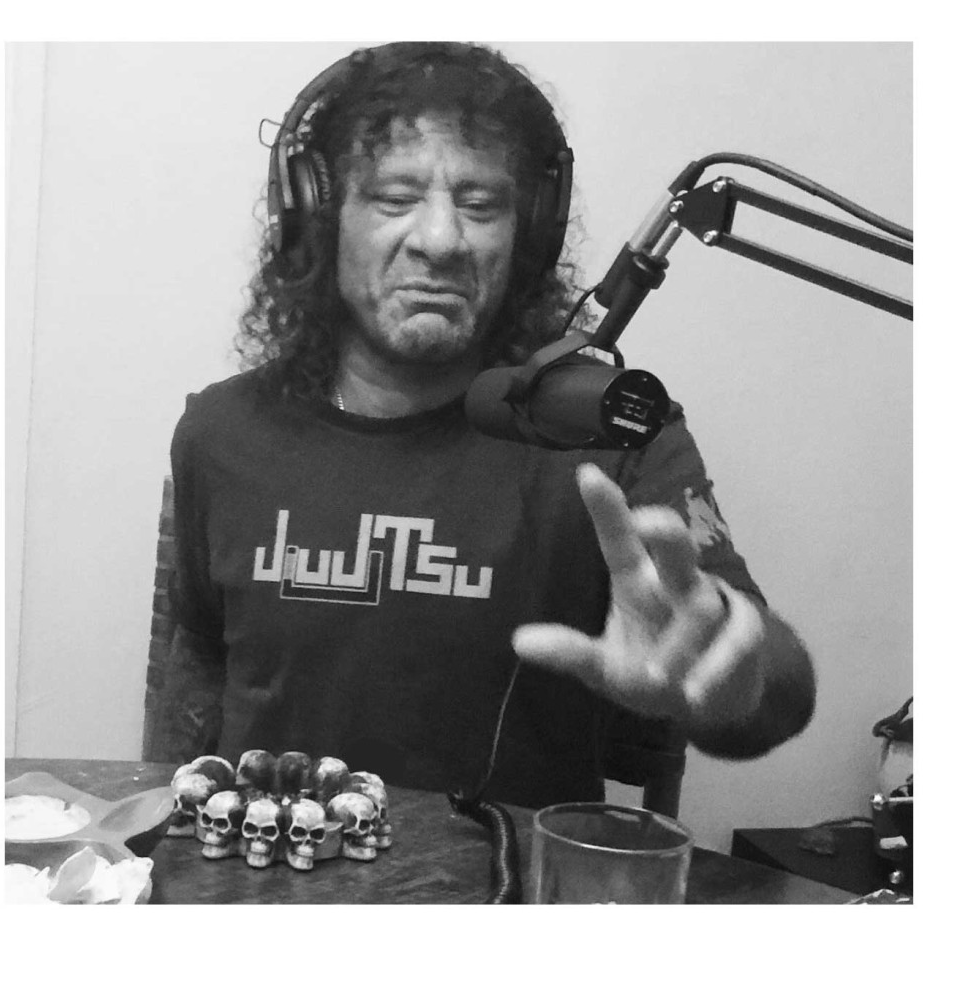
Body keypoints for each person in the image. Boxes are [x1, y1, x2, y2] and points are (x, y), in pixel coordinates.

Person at [145, 42, 815, 811]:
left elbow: (773, 682)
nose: (440, 240)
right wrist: (160, 839)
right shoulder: (221, 432)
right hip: (268, 864)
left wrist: (733, 680)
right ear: (320, 220)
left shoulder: (613, 436)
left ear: (530, 231)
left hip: (505, 878)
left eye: (481, 204)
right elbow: (197, 665)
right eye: (394, 197)